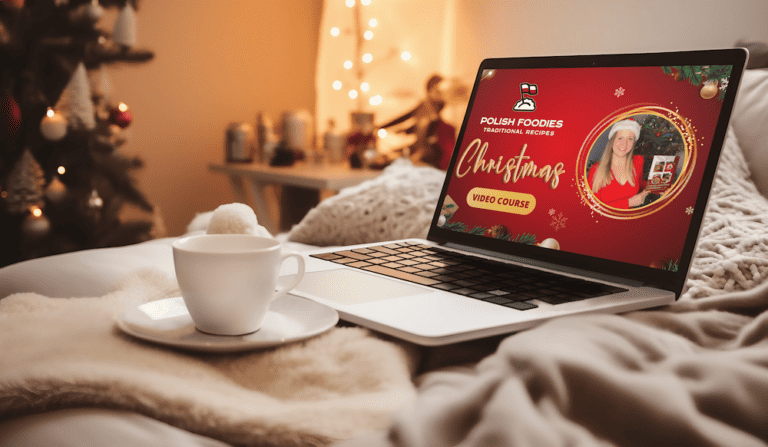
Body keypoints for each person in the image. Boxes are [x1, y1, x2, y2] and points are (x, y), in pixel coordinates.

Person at [378, 74, 455, 169]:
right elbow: (405, 118)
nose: (439, 92)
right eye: (435, 88)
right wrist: (383, 126)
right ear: (430, 89)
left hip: (430, 148)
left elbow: (429, 127)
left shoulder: (439, 112)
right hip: (420, 145)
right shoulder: (422, 106)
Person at [587, 118, 650, 209]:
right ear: (612, 140)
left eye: (630, 139)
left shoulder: (638, 161)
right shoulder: (596, 170)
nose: (624, 144)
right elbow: (592, 208)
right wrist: (628, 203)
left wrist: (658, 187)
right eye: (620, 138)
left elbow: (639, 182)